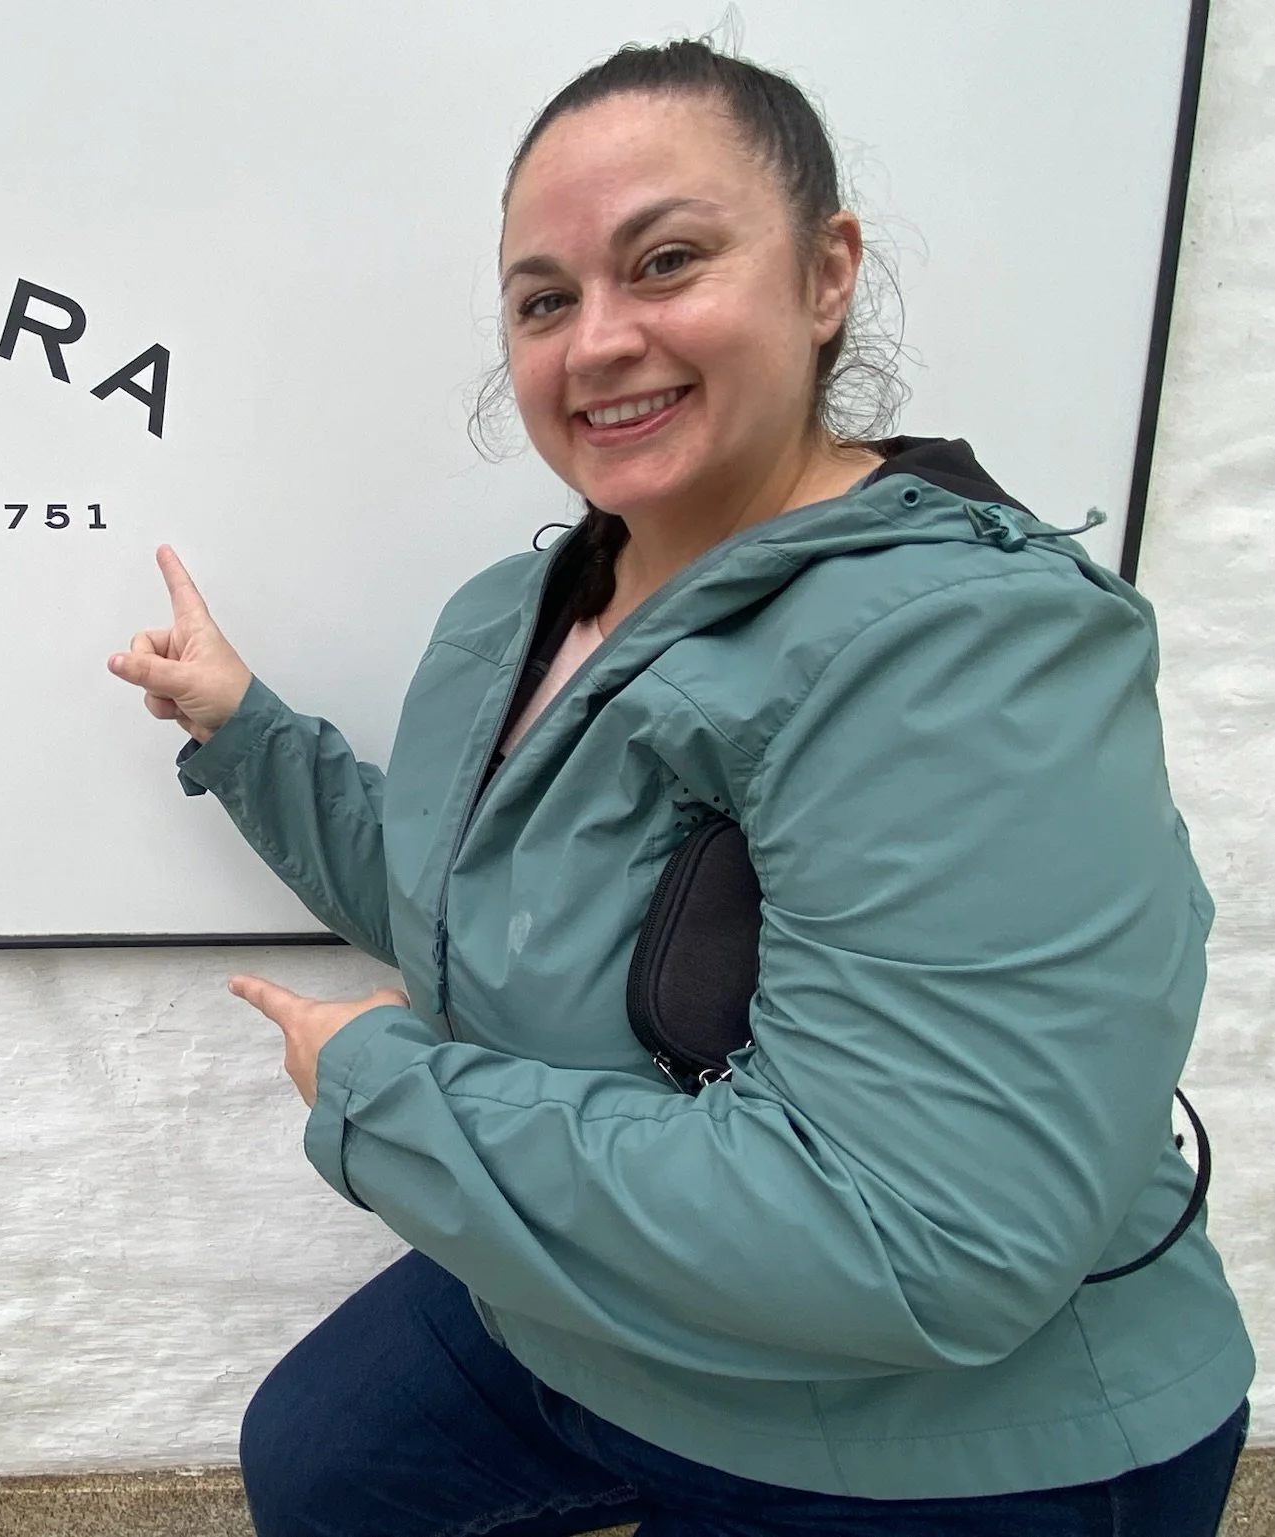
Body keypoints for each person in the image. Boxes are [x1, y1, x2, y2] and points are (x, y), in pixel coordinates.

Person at [107, 39, 1253, 1537]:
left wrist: (383, 1095)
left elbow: (922, 1236)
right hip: (605, 1307)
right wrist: (244, 730)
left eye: (666, 262)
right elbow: (459, 905)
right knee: (326, 1466)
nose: (598, 341)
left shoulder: (962, 652)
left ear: (826, 273)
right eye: (544, 300)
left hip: (938, 1440)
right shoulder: (509, 616)